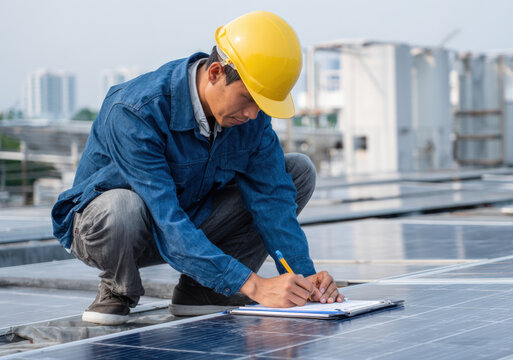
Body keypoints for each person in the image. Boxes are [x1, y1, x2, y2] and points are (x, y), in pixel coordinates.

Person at [51, 10, 344, 326]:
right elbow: (167, 219)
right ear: (216, 72)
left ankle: (203, 291)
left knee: (297, 171)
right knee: (122, 206)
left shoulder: (252, 120)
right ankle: (118, 290)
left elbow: (272, 201)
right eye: (247, 98)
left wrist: (304, 278)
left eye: (262, 105)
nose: (252, 114)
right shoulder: (137, 111)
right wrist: (254, 285)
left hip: (186, 218)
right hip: (110, 230)